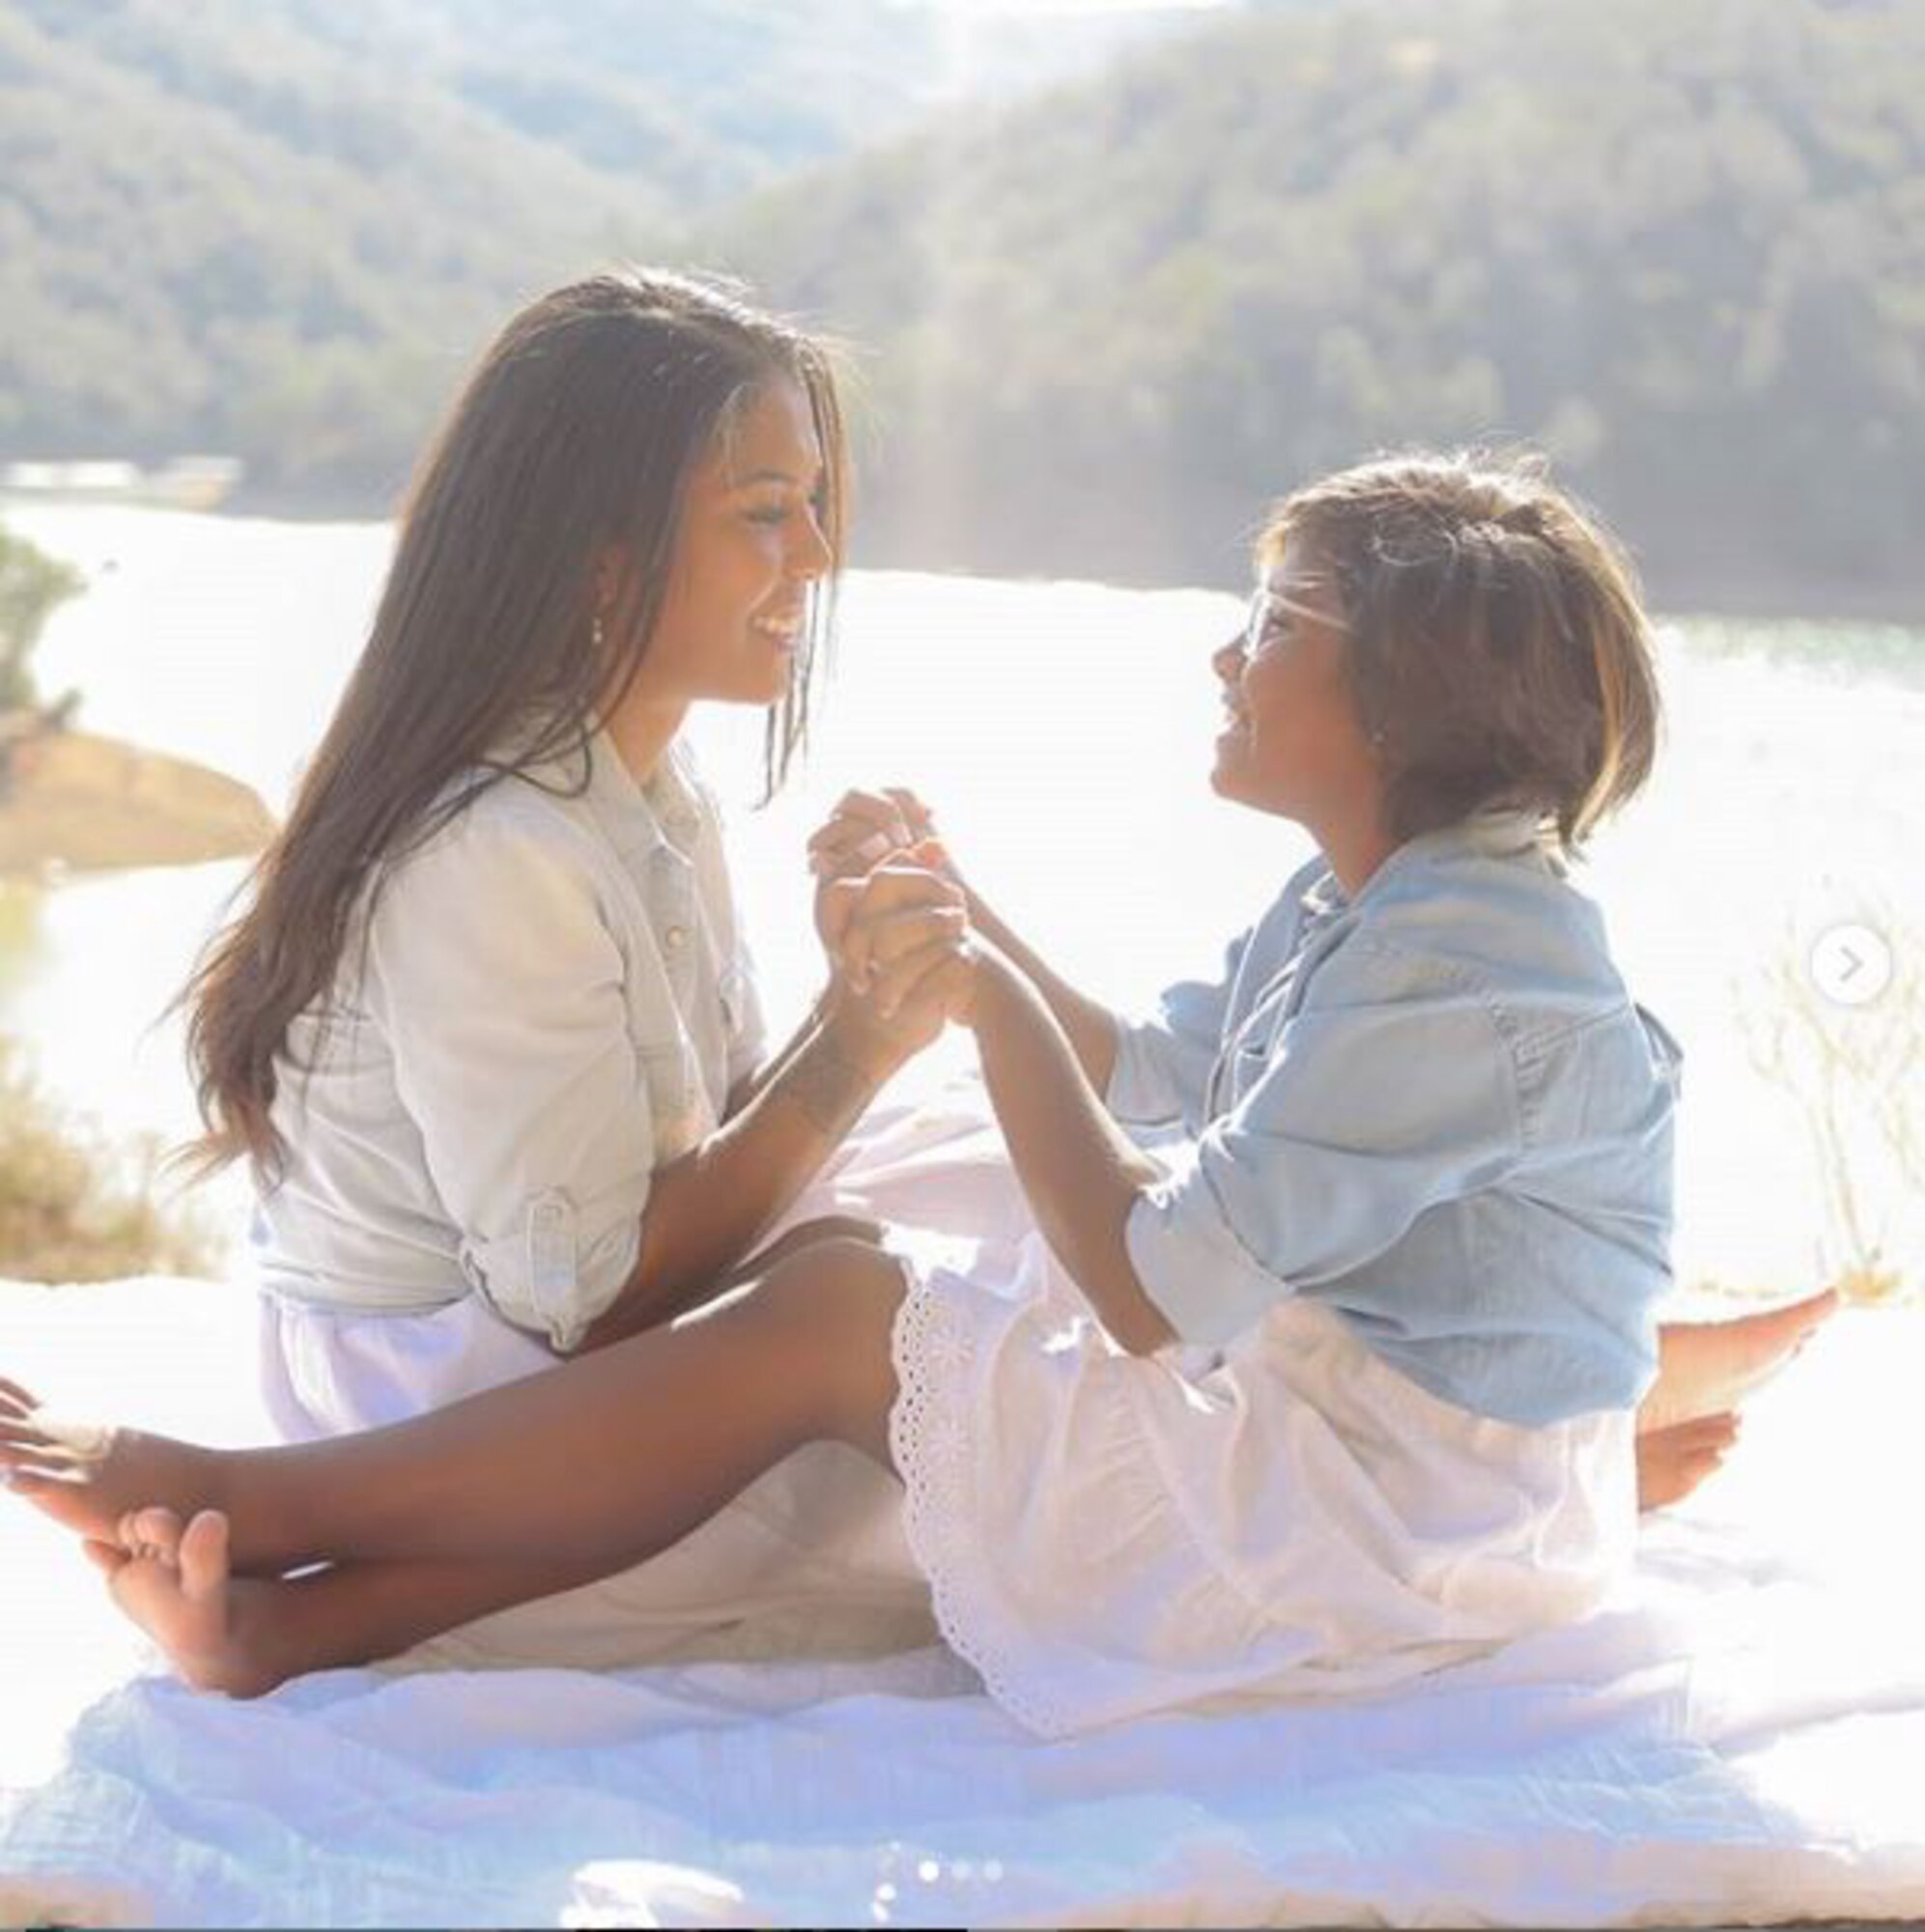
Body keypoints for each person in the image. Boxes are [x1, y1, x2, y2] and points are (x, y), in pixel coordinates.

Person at [0, 433, 1835, 1729]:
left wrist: (969, 994)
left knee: (850, 1309)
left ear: (1398, 707)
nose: (1224, 650)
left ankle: (267, 1500)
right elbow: (1173, 1075)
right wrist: (971, 927)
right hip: (1358, 1439)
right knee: (872, 1235)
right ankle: (294, 1630)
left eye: (1275, 626)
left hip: (1374, 1529)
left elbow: (1147, 1281)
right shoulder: (1381, 896)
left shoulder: (1461, 964)